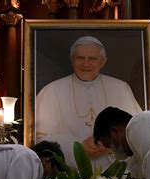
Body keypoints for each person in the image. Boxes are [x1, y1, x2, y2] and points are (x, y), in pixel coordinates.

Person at [35, 35, 143, 169]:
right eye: (80, 58)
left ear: (103, 62)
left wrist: (110, 143)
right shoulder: (51, 91)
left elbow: (137, 131)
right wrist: (78, 146)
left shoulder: (120, 88)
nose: (86, 64)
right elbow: (40, 141)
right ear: (72, 60)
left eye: (92, 58)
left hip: (116, 172)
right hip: (70, 173)